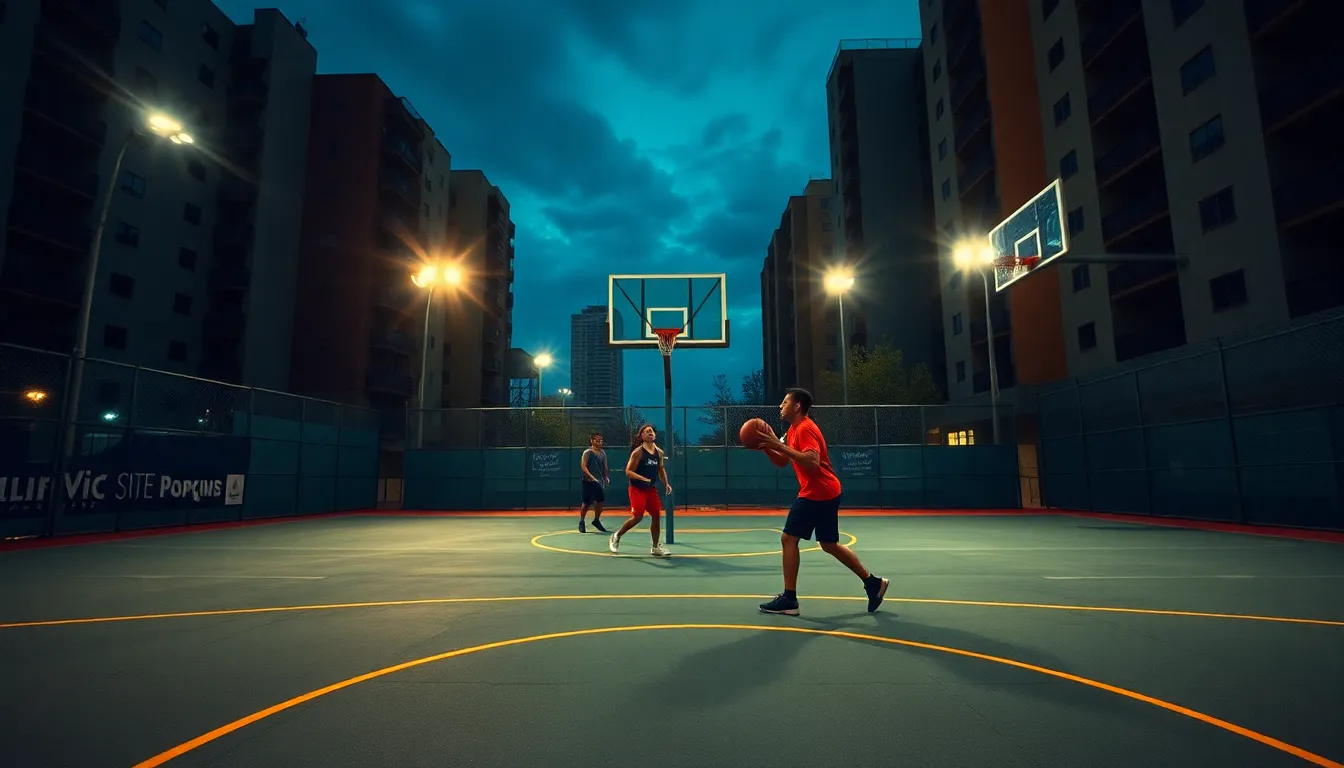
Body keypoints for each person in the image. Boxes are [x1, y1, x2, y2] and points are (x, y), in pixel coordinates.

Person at [755, 387, 888, 615]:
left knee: (788, 539)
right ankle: (873, 583)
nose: (780, 405)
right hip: (826, 490)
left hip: (816, 492)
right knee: (828, 543)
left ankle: (789, 599)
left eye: (785, 401)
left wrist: (778, 445)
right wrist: (769, 447)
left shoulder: (805, 428)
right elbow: (782, 461)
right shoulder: (792, 430)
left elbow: (812, 461)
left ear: (797, 406)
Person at [609, 423, 672, 557]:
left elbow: (661, 469)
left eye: (652, 431)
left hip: (650, 490)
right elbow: (628, 471)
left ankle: (655, 547)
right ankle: (616, 535)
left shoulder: (659, 452)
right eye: (646, 431)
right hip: (637, 489)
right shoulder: (638, 452)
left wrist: (666, 483)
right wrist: (642, 478)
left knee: (656, 516)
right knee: (638, 517)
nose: (650, 432)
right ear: (642, 436)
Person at [578, 432, 609, 533]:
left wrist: (606, 477)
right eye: (597, 439)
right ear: (592, 440)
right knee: (586, 503)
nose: (600, 441)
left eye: (601, 440)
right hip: (587, 482)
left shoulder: (603, 453)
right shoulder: (588, 452)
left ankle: (596, 520)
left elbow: (605, 467)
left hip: (598, 482)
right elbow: (583, 466)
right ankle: (582, 521)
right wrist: (591, 477)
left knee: (600, 502)